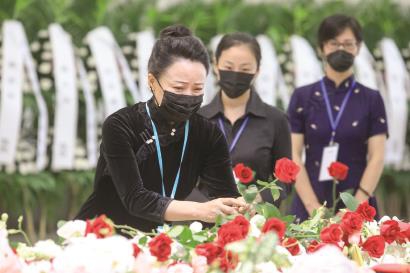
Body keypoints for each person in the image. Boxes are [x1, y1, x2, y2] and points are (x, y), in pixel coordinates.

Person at [76, 25, 246, 232]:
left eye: (197, 89)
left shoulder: (208, 134)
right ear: (152, 81)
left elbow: (226, 195)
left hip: (162, 242)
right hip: (103, 236)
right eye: (178, 88)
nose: (188, 96)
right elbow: (135, 198)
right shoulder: (121, 125)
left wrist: (241, 209)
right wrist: (201, 210)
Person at [288, 14, 388, 221]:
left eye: (348, 44)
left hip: (359, 199)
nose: (341, 49)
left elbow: (377, 156)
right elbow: (293, 153)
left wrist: (357, 205)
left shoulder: (372, 99)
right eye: (334, 43)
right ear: (321, 48)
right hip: (311, 199)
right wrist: (312, 205)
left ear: (358, 47)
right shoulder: (302, 97)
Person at [197, 32, 292, 205]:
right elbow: (180, 179)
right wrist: (205, 208)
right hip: (204, 224)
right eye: (229, 66)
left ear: (257, 71)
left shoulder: (276, 120)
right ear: (216, 66)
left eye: (245, 69)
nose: (236, 74)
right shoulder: (196, 119)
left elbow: (286, 180)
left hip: (256, 222)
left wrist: (257, 199)